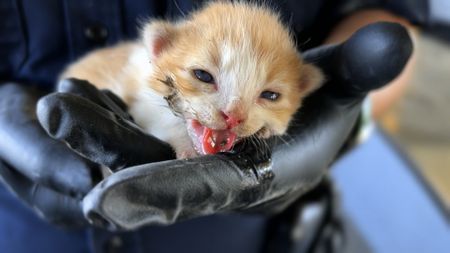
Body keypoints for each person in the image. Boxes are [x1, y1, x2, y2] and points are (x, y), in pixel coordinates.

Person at [0, 0, 428, 252]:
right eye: (204, 77)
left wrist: (349, 104)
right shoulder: (147, 67)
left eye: (270, 94)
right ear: (159, 50)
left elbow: (385, 17)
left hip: (247, 236)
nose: (233, 117)